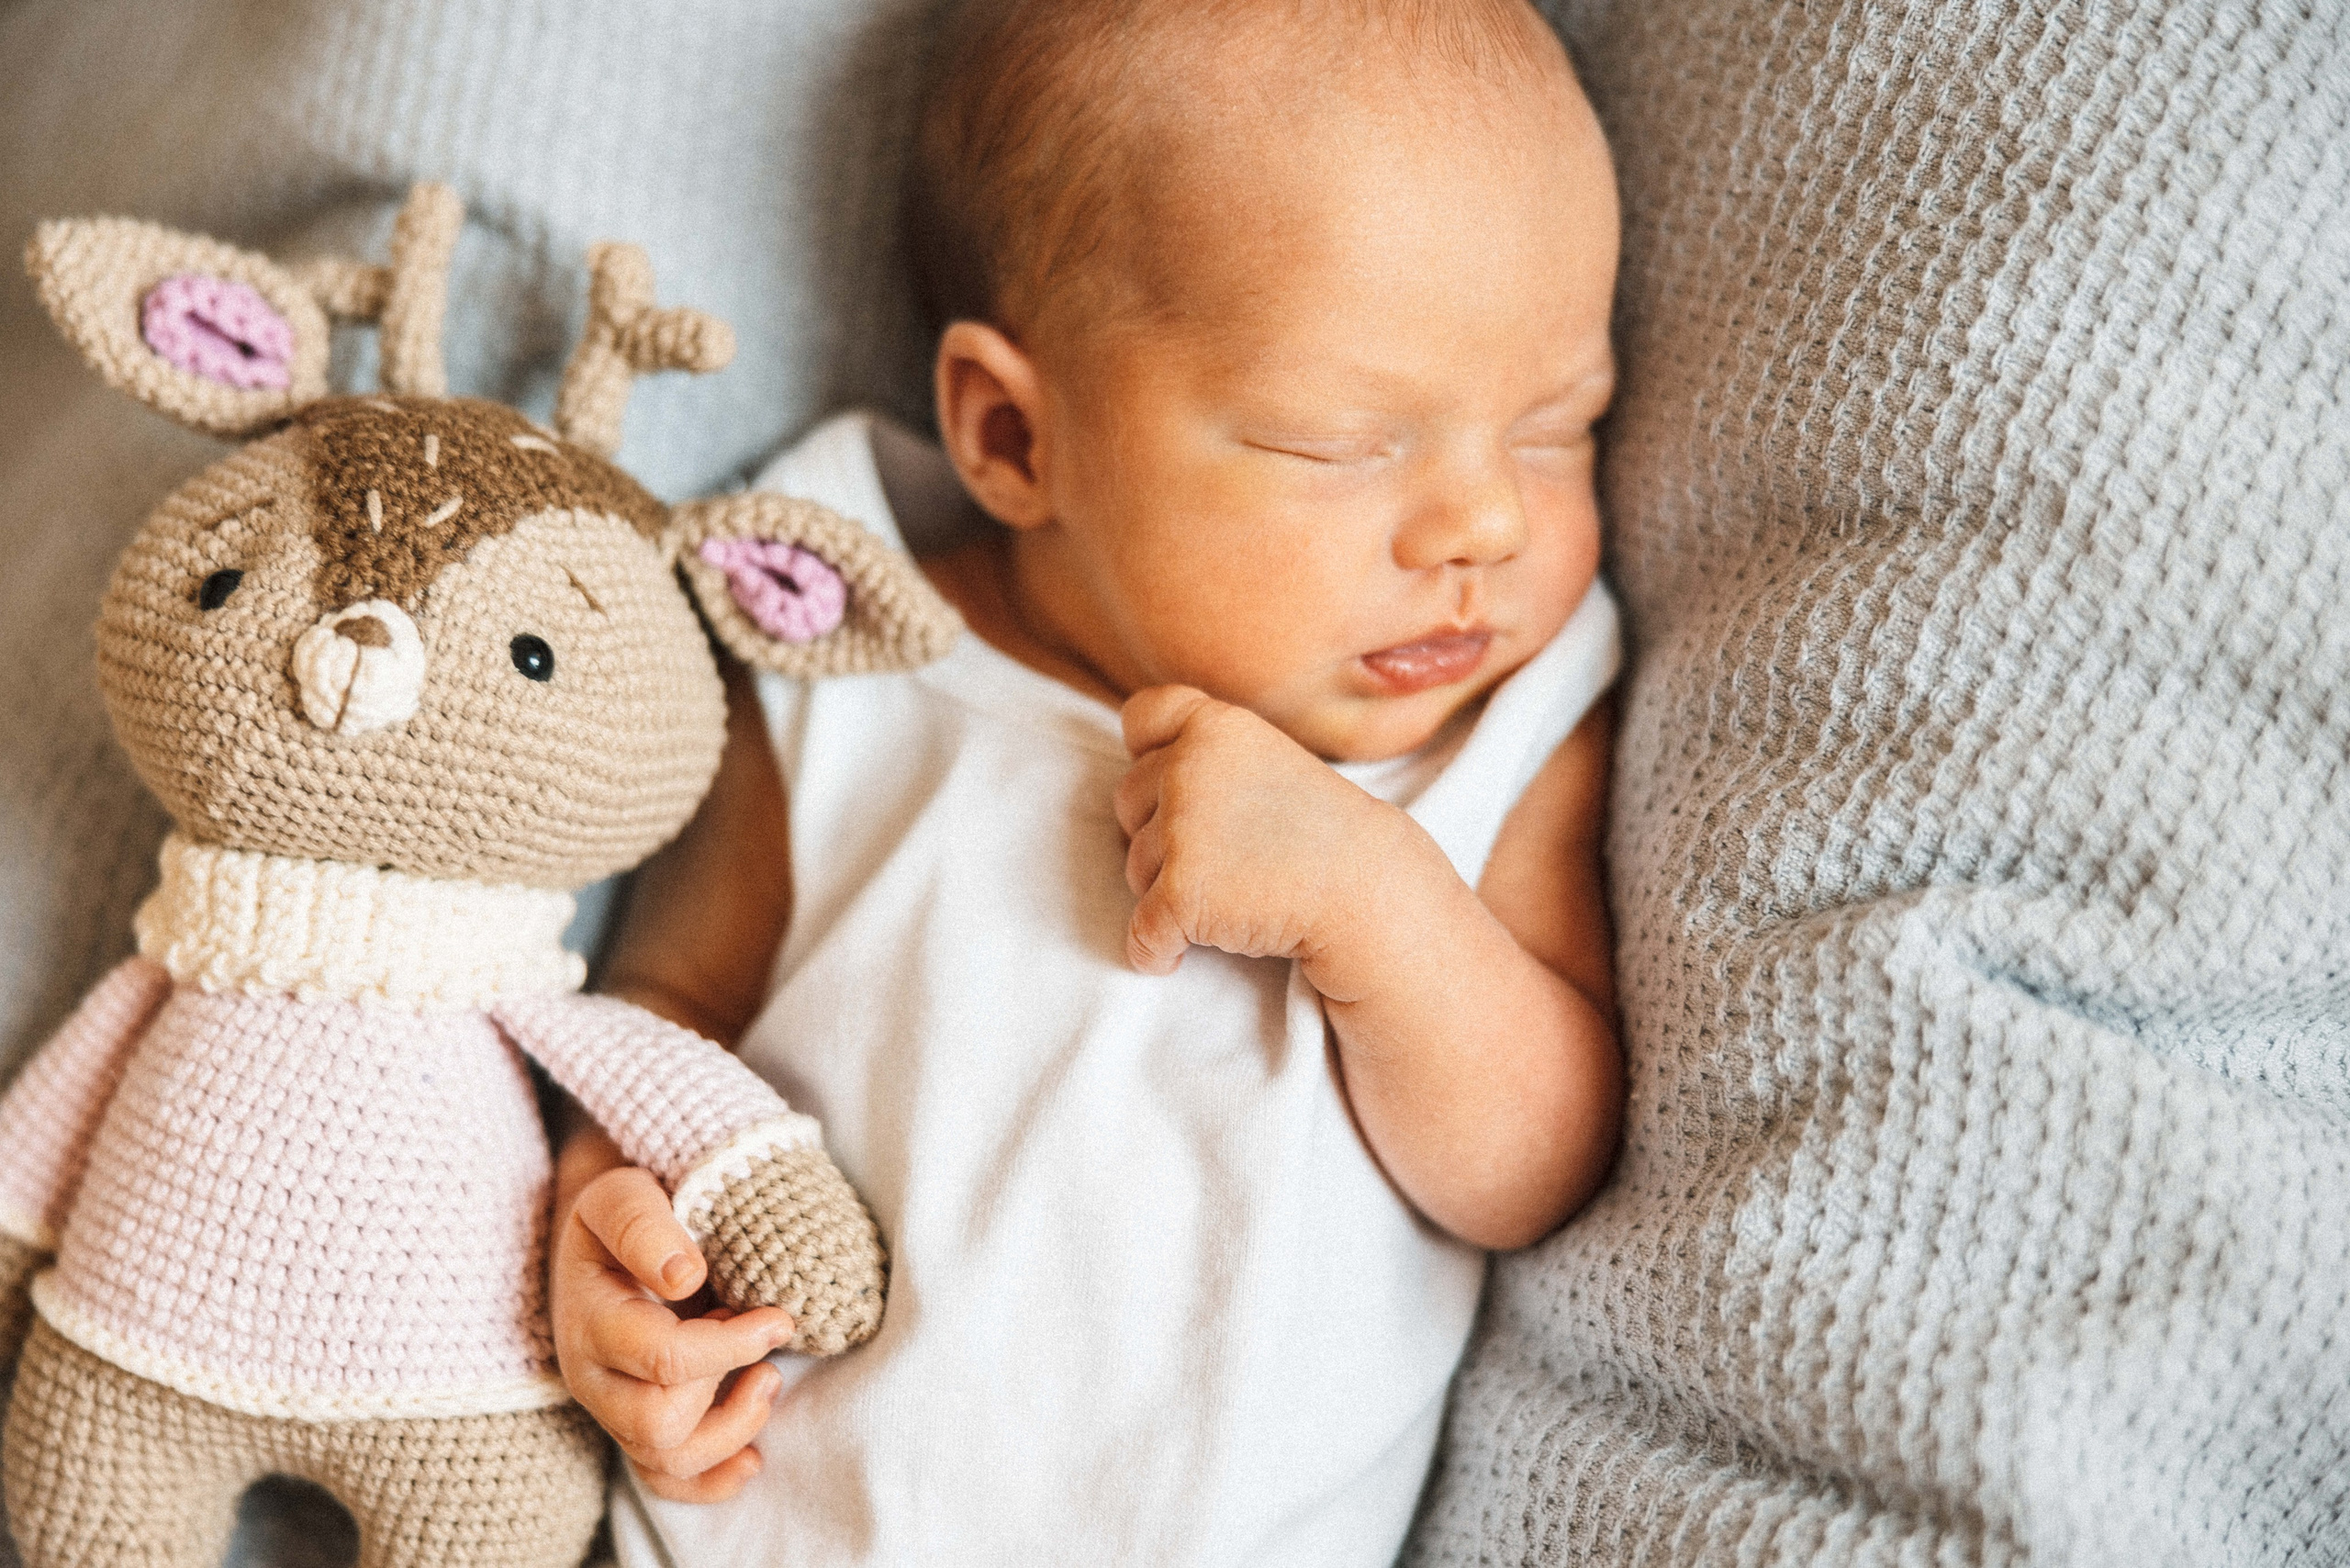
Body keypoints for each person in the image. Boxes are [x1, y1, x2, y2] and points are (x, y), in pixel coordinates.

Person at [550, 0, 1625, 1560]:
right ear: (1011, 433)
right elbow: (666, 1009)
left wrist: (1371, 901)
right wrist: (613, 1236)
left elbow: (1539, 1163)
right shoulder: (848, 652)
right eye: (1338, 443)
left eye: (1556, 429)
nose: (1484, 527)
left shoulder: (1494, 734)